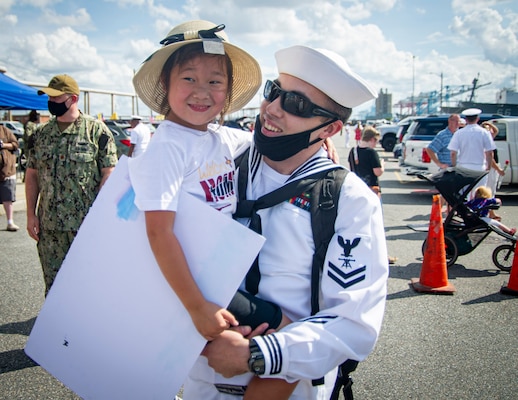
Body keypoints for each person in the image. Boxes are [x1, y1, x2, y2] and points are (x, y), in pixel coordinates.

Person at [183, 45, 389, 399]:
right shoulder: (220, 159)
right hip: (203, 381)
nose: (272, 109)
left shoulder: (349, 200)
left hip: (289, 384)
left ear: (330, 129)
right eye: (274, 92)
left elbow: (353, 323)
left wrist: (257, 355)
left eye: (296, 105)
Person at [128, 20, 262, 341]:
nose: (202, 91)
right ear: (165, 81)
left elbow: (258, 141)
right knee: (280, 324)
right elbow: (159, 233)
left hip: (223, 270)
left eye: (215, 81)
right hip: (192, 280)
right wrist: (197, 306)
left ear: (227, 90)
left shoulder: (217, 137)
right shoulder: (168, 146)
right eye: (189, 78)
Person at [25, 74, 118, 295]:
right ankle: (56, 329)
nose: (52, 103)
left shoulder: (96, 131)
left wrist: (101, 215)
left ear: (73, 99)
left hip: (86, 225)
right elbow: (32, 175)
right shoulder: (40, 135)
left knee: (89, 285)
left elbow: (109, 173)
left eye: (57, 98)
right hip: (50, 227)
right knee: (54, 286)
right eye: (50, 98)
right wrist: (31, 214)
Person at [448, 108, 496, 198]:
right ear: (477, 119)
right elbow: (489, 152)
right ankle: (478, 211)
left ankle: (464, 211)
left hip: (463, 168)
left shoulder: (459, 133)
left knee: (464, 194)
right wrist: (488, 167)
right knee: (480, 193)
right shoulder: (484, 133)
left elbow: (453, 153)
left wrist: (454, 166)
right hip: (479, 167)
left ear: (466, 119)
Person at [348, 126, 383, 197]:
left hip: (356, 187)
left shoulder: (353, 151)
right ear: (372, 139)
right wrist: (382, 165)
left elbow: (351, 168)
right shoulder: (371, 152)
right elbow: (378, 172)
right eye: (376, 141)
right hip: (370, 187)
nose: (376, 144)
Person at [481, 121, 505, 210]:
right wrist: (498, 169)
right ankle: (489, 210)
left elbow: (496, 131)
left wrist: (488, 123)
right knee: (489, 189)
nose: (490, 132)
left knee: (492, 189)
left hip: (492, 167)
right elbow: (491, 158)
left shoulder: (490, 139)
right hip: (490, 168)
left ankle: (490, 211)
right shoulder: (485, 142)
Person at [0, 124, 20, 231]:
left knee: (8, 198)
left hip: (6, 171)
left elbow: (15, 144)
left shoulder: (4, 130)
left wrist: (3, 145)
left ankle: (10, 222)